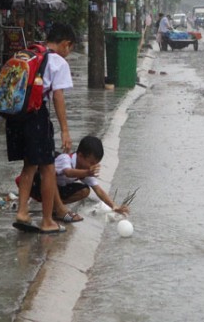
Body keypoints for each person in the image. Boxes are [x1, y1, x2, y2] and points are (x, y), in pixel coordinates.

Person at [9, 22, 77, 234]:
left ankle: (22, 212)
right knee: (48, 168)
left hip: (16, 115)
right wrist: (65, 130)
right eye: (71, 49)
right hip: (36, 115)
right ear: (66, 44)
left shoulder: (28, 52)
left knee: (29, 165)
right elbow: (57, 95)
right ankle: (47, 221)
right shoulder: (58, 62)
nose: (69, 53)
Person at [22, 135, 130, 218]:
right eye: (91, 162)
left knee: (85, 191)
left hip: (54, 192)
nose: (92, 167)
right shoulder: (65, 159)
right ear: (80, 156)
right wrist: (87, 173)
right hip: (36, 186)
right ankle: (57, 208)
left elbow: (99, 190)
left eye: (95, 164)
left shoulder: (84, 170)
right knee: (51, 178)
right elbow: (68, 172)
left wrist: (114, 206)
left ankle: (56, 207)